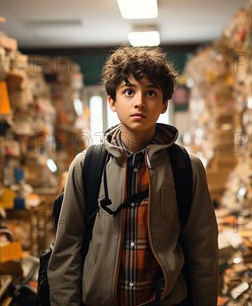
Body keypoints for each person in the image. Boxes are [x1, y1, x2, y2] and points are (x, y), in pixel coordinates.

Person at [47, 45, 218, 305]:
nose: (139, 102)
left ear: (163, 104)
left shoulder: (186, 168)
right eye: (129, 91)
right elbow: (65, 251)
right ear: (112, 101)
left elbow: (203, 253)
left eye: (151, 92)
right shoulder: (86, 165)